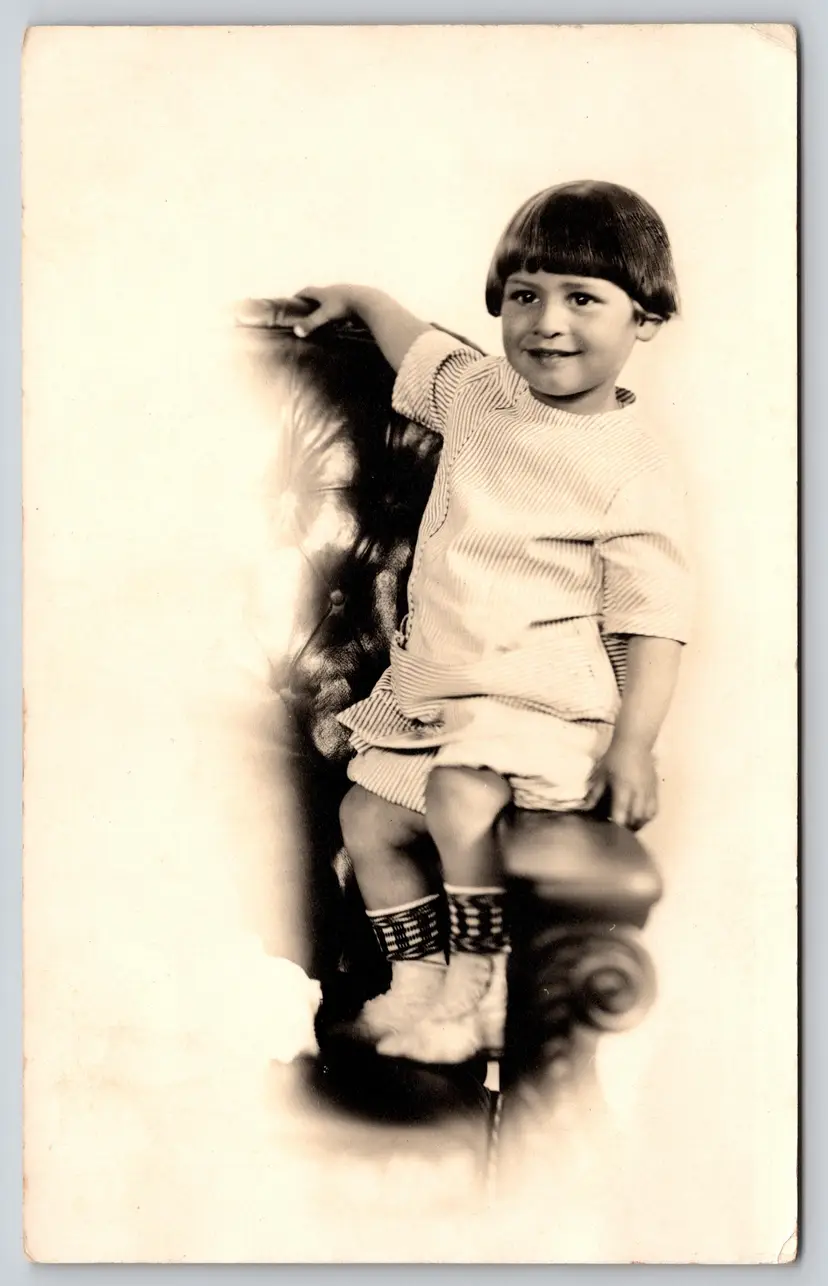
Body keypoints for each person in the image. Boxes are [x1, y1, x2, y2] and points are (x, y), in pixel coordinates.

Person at [291, 180, 692, 1064]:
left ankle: (483, 988)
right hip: (440, 701)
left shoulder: (634, 467)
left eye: (582, 299)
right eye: (524, 295)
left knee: (460, 794)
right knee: (368, 817)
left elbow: (653, 621)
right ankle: (417, 985)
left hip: (543, 710)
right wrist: (362, 297)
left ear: (646, 320)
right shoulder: (479, 393)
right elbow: (415, 346)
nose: (547, 323)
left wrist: (634, 746)